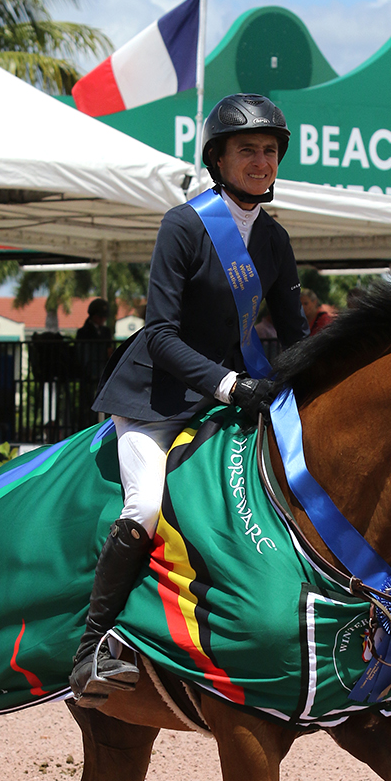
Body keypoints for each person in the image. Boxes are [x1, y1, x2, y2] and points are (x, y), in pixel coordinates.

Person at [69, 93, 308, 701]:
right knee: (145, 507)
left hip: (228, 396)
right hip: (158, 395)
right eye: (248, 150)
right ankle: (94, 646)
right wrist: (232, 384)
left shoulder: (274, 239)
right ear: (219, 160)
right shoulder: (184, 225)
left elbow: (293, 333)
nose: (261, 161)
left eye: (270, 151)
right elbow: (160, 333)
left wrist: (305, 384)